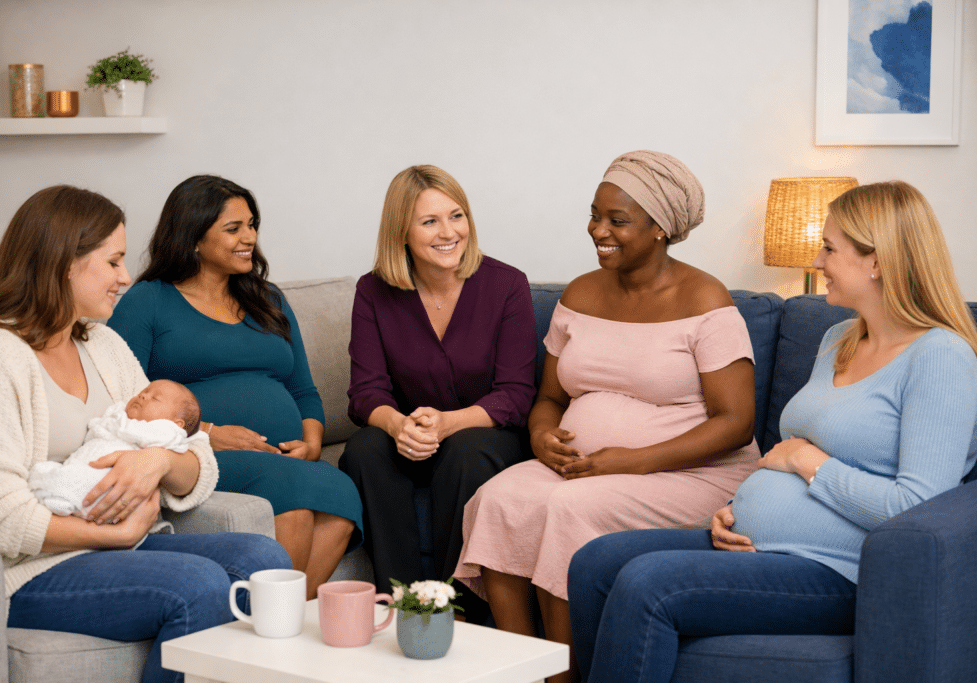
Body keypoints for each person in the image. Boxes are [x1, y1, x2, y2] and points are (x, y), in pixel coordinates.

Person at [568, 180, 977, 683]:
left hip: (842, 571)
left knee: (647, 583)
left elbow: (917, 506)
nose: (818, 260)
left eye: (829, 248)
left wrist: (809, 464)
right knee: (594, 563)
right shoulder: (837, 341)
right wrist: (739, 510)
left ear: (878, 261)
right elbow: (785, 458)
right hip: (760, 548)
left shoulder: (940, 357)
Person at [0, 185, 292, 683]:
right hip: (31, 569)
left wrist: (156, 463)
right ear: (64, 263)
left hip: (117, 548)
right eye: (113, 262)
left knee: (263, 559)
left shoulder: (103, 344)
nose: (125, 277)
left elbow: (195, 451)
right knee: (196, 584)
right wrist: (116, 533)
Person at [453, 151, 759, 682]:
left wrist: (632, 462)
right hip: (587, 465)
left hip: (693, 473)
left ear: (661, 228)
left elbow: (736, 422)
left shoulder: (703, 298)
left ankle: (568, 676)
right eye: (595, 215)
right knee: (499, 500)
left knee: (570, 509)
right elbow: (547, 396)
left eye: (618, 221)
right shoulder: (581, 293)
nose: (599, 230)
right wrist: (543, 433)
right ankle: (524, 668)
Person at [108, 175, 362, 599]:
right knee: (293, 495)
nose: (250, 237)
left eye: (251, 225)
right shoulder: (148, 301)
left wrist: (312, 441)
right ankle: (276, 628)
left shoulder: (270, 299)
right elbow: (119, 396)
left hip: (283, 455)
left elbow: (304, 389)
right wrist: (207, 433)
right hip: (195, 454)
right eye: (233, 229)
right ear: (193, 237)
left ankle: (283, 620)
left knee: (341, 493)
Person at [337, 164, 538, 620]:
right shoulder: (373, 291)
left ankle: (458, 609)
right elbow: (365, 389)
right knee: (366, 447)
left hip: (486, 436)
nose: (449, 232)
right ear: (401, 233)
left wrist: (449, 422)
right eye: (430, 222)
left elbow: (515, 394)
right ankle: (405, 607)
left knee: (465, 451)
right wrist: (398, 424)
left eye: (457, 216)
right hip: (412, 436)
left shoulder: (507, 285)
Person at [30, 380, 206, 520]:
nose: (143, 396)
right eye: (142, 392)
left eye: (155, 398)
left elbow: (196, 453)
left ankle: (68, 501)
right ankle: (51, 492)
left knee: (92, 481)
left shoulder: (166, 432)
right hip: (88, 459)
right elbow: (99, 428)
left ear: (176, 424)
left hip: (114, 482)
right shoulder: (120, 415)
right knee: (51, 472)